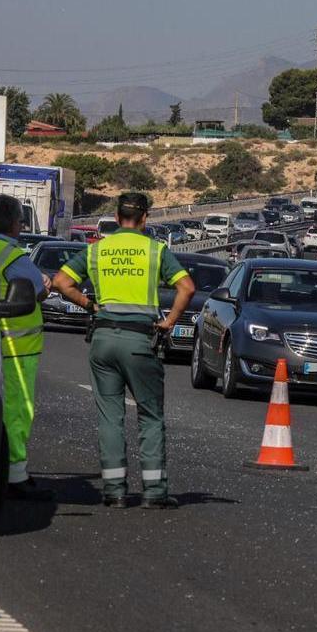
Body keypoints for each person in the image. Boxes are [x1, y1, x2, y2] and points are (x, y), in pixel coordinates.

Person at [52, 193, 195, 510]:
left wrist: (89, 304)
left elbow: (62, 282)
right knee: (150, 416)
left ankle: (114, 490)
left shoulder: (96, 250)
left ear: (117, 218)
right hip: (141, 341)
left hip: (103, 338)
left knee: (110, 417)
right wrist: (169, 321)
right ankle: (154, 491)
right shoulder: (156, 251)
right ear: (145, 219)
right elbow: (187, 287)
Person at [0, 195, 53, 501]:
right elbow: (36, 290)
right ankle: (15, 475)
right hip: (16, 345)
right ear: (14, 223)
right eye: (21, 221)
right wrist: (46, 286)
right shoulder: (12, 255)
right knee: (17, 410)